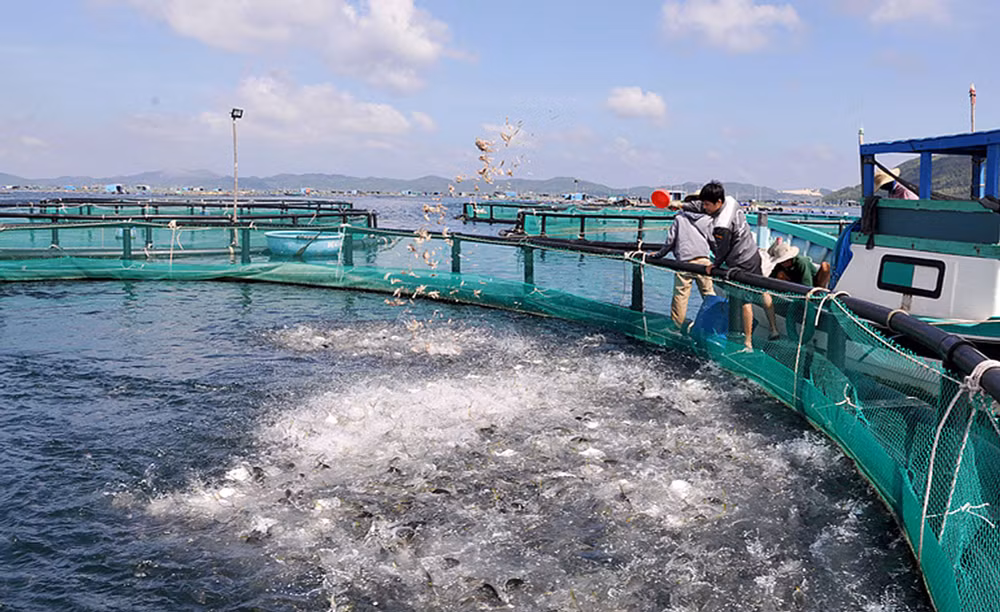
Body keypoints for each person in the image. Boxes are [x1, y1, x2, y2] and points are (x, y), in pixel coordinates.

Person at [672, 180, 778, 351]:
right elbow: (700, 206)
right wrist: (681, 206)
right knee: (762, 290)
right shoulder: (730, 201)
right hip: (753, 254)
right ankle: (774, 328)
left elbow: (723, 248)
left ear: (718, 203)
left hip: (741, 261)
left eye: (707, 204)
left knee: (744, 300)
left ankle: (747, 343)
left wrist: (714, 265)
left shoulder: (722, 224)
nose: (704, 207)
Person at [649, 211, 715, 329]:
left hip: (684, 262)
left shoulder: (679, 218)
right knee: (709, 295)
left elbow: (670, 242)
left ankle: (676, 327)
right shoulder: (707, 219)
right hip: (704, 262)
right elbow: (713, 241)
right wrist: (719, 260)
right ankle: (713, 326)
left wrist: (658, 255)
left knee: (680, 296)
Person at [763, 237, 831, 288]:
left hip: (811, 283)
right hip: (794, 282)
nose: (783, 263)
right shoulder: (780, 265)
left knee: (825, 266)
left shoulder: (801, 263)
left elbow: (807, 284)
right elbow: (771, 278)